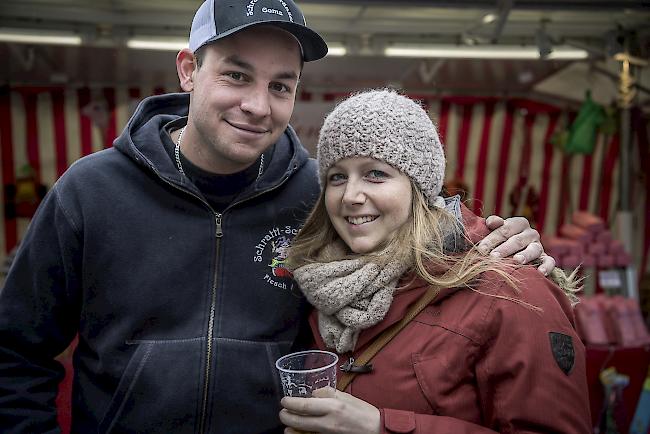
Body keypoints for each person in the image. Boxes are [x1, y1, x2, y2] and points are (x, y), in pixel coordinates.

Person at [0, 2, 553, 433]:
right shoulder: (92, 190)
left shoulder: (320, 193)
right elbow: (16, 350)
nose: (259, 105)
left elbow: (413, 250)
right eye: (237, 76)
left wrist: (498, 244)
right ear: (189, 69)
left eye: (280, 86)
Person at [279, 89, 591, 434]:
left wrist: (382, 427)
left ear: (420, 187)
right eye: (337, 177)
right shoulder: (321, 285)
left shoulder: (510, 290)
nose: (350, 196)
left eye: (375, 174)